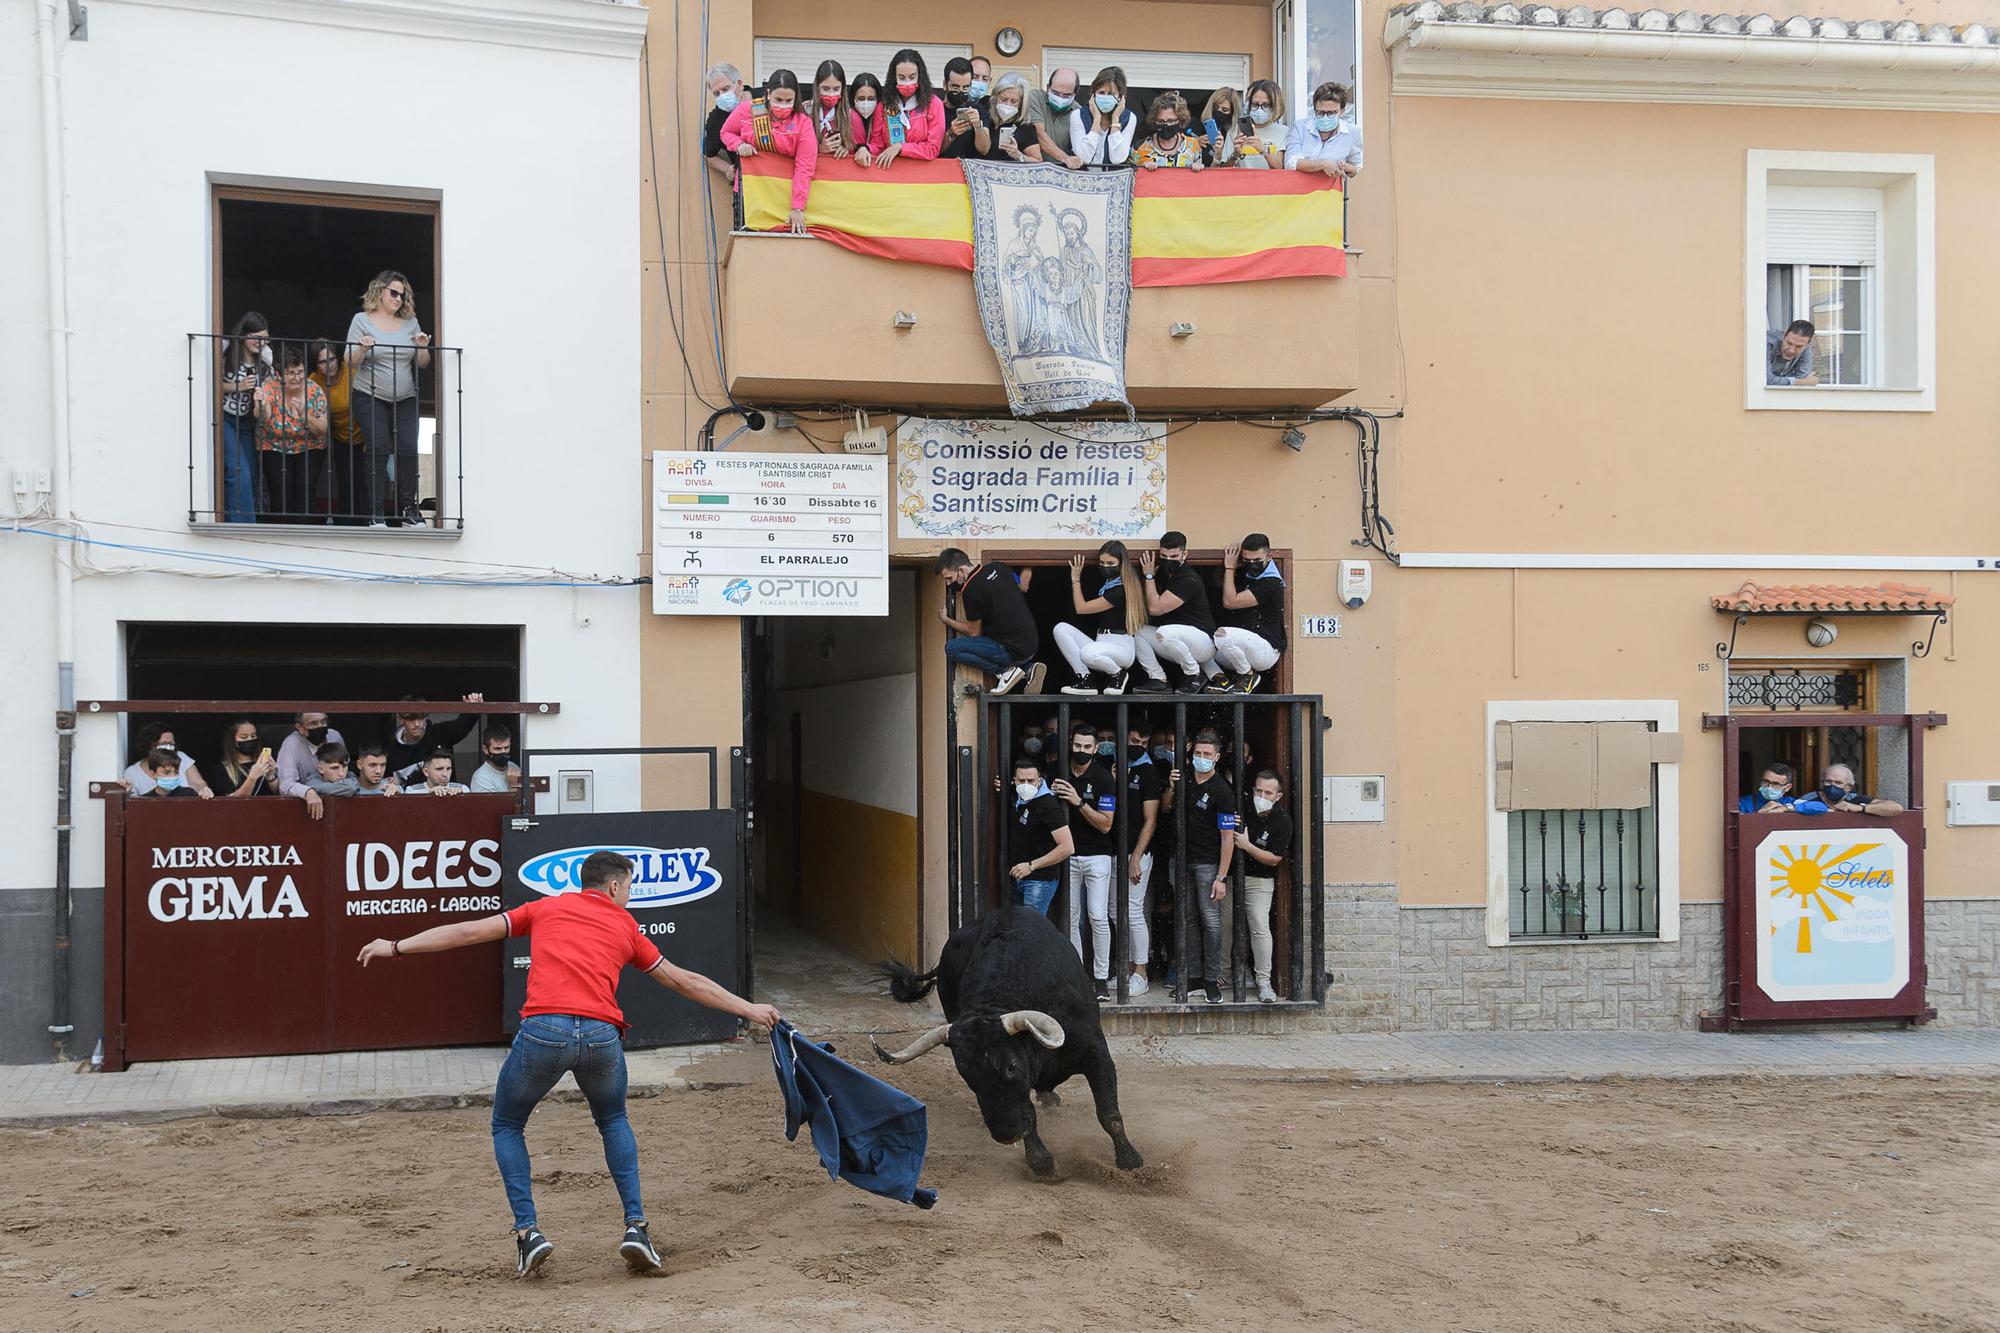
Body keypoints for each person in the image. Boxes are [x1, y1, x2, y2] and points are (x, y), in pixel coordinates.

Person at [357, 850, 780, 1278]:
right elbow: (684, 981)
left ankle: (529, 1234)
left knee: (507, 1124)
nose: (630, 897)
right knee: (613, 1120)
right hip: (600, 1036)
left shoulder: (544, 908)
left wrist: (395, 947)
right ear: (613, 887)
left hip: (544, 1031)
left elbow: (468, 931)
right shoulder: (625, 925)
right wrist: (748, 1008)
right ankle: (636, 1228)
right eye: (630, 888)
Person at [346, 270, 432, 528]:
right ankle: (375, 513)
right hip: (369, 394)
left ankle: (408, 510)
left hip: (405, 396)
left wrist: (422, 347)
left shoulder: (411, 322)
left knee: (408, 450)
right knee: (378, 449)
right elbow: (348, 360)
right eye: (393, 293)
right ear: (379, 291)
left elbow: (423, 364)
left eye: (402, 295)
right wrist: (362, 348)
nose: (398, 299)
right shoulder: (361, 320)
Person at [1162, 729, 1237, 1003]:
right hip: (1180, 861)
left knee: (1211, 922)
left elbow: (1228, 838)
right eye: (1198, 754)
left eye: (1207, 755)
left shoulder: (1222, 791)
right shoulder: (1183, 781)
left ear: (1216, 757)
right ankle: (1193, 978)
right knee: (1188, 920)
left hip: (1208, 865)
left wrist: (1221, 876)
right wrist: (1171, 786)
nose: (1201, 758)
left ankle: (1211, 980)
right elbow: (1165, 809)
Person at [1052, 722, 1119, 998]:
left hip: (1097, 856)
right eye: (1077, 746)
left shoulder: (1103, 778)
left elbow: (1106, 824)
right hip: (1067, 854)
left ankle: (1101, 978)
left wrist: (1078, 802)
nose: (1081, 751)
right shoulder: (1056, 772)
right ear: (1071, 743)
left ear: (1095, 749)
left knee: (1097, 916)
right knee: (1070, 918)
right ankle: (1077, 974)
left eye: (1087, 747)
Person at [722, 68, 816, 235]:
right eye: (778, 99)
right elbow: (726, 132)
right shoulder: (748, 110)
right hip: (750, 193)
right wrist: (738, 145)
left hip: (784, 196)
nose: (783, 105)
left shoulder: (803, 123)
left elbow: (805, 167)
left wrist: (798, 207)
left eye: (789, 100)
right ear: (768, 94)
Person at [938, 548, 1045, 695]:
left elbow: (974, 632)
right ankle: (1028, 669)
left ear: (962, 570)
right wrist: (1032, 561)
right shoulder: (998, 567)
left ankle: (1005, 671)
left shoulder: (970, 591)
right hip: (1032, 644)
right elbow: (1023, 585)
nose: (949, 584)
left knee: (951, 648)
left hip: (1010, 650)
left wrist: (946, 620)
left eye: (949, 578)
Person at [1233, 770, 1293, 1003]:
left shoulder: (1282, 820)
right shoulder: (1243, 808)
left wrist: (1247, 847)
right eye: (1258, 790)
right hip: (1230, 877)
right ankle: (1225, 975)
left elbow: (1275, 858)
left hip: (1259, 880)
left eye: (1267, 792)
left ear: (1277, 796)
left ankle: (1263, 981)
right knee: (1224, 926)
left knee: (1259, 926)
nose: (1261, 795)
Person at [253, 344, 329, 522]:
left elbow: (322, 429)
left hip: (310, 446)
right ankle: (280, 534)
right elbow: (264, 420)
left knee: (305, 488)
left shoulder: (314, 390)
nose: (297, 377)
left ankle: (305, 533)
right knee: (280, 489)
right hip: (273, 445)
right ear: (279, 375)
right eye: (291, 373)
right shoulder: (270, 388)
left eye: (300, 372)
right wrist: (262, 405)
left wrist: (304, 415)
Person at [1057, 542, 1144, 695]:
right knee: (1061, 628)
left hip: (1121, 647)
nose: (1105, 567)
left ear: (1121, 564)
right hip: (1101, 642)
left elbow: (1081, 608)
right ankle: (1085, 679)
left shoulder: (1120, 590)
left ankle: (1118, 674)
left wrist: (1075, 579)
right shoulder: (1109, 585)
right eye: (1102, 563)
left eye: (1110, 563)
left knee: (1087, 652)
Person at [1137, 532, 1219, 693]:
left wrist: (1148, 576)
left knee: (1166, 632)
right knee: (1137, 631)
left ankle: (1194, 675)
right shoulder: (1163, 574)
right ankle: (1158, 678)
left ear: (1185, 554)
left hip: (1203, 643)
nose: (1168, 560)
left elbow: (1155, 608)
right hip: (1178, 643)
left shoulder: (1188, 578)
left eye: (1173, 555)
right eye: (1164, 556)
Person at [1116, 718, 1162, 997]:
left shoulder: (1147, 772)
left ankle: (1141, 973)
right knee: (1113, 911)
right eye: (1135, 742)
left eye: (1144, 744)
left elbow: (1151, 820)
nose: (1139, 747)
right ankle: (1123, 969)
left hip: (1138, 854)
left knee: (1133, 911)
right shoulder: (1116, 766)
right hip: (1113, 851)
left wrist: (1136, 856)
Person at [1211, 534, 1286, 694]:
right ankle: (1222, 681)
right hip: (1245, 648)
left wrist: (1230, 568)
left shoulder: (1272, 583)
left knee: (1222, 635)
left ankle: (1247, 676)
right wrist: (1228, 567)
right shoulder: (1248, 574)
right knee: (1204, 648)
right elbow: (1219, 583)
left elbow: (1230, 601)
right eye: (1247, 560)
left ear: (1269, 556)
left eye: (1257, 560)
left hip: (1266, 649)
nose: (1252, 564)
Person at [218, 312, 272, 523]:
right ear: (243, 334)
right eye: (256, 337)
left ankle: (248, 522)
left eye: (264, 339)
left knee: (251, 472)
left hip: (245, 423)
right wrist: (238, 386)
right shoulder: (226, 353)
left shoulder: (264, 364)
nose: (261, 343)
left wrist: (261, 401)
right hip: (224, 418)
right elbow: (212, 385)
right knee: (240, 470)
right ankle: (241, 525)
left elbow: (264, 403)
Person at [1006, 757, 1074, 917]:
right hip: (1018, 877)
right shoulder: (1020, 799)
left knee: (1031, 932)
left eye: (1031, 780)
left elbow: (1067, 847)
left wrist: (1030, 866)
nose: (1026, 785)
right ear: (1014, 781)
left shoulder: (1048, 805)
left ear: (1040, 781)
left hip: (1039, 880)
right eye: (1021, 780)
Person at [311, 338, 366, 523]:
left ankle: (368, 524)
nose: (329, 365)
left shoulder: (352, 371)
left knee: (366, 483)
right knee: (346, 483)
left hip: (365, 435)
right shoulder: (313, 382)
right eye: (322, 362)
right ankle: (346, 524)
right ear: (315, 364)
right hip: (340, 437)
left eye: (332, 359)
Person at [867, 49, 947, 168]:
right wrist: (864, 149)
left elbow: (933, 149)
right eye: (901, 77)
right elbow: (877, 145)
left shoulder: (934, 104)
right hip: (891, 172)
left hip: (921, 173)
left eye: (912, 77)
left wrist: (901, 147)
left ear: (920, 77)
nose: (907, 83)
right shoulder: (884, 105)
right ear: (894, 78)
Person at [385, 693, 486, 782]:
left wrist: (473, 708)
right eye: (411, 719)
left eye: (421, 718)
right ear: (401, 719)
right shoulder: (390, 750)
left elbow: (462, 726)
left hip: (445, 798)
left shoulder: (440, 733)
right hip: (410, 802)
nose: (416, 724)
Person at [1286, 81, 1362, 177]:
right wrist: (1322, 164)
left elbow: (1355, 167)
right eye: (1320, 113)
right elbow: (1291, 162)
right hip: (1301, 189)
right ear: (1314, 110)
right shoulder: (1300, 127)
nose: (1325, 117)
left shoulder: (1352, 132)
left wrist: (1344, 167)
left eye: (1331, 113)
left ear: (1341, 111)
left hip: (1330, 190)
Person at [123, 722, 214, 798]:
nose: (168, 748)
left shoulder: (181, 757)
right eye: (163, 743)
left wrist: (204, 790)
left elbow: (198, 783)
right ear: (149, 744)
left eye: (171, 744)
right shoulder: (132, 772)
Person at [1073, 66, 1137, 169]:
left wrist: (1115, 119)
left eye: (1111, 94)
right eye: (1101, 93)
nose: (1106, 97)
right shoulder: (1078, 115)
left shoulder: (1129, 118)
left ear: (1121, 97)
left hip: (1113, 181)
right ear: (1093, 94)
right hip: (1083, 180)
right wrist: (1096, 120)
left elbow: (1118, 158)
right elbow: (1084, 158)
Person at [1130, 91, 1206, 171]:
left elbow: (1200, 180)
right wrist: (1142, 169)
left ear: (1180, 120)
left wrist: (1198, 169)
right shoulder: (1139, 147)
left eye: (1171, 121)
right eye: (1160, 121)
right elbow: (1128, 176)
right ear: (1154, 120)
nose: (1166, 125)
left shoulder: (1193, 146)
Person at [1025, 67, 1084, 169]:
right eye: (1055, 93)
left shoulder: (1079, 112)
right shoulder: (1036, 97)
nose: (1060, 98)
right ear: (1048, 87)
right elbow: (1039, 133)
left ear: (1075, 93)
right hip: (1034, 168)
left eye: (1066, 95)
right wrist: (1066, 158)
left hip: (1063, 172)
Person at [277, 712, 343, 796]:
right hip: (305, 803)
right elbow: (285, 785)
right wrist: (307, 791)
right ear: (300, 728)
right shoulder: (292, 743)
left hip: (338, 795)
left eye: (323, 722)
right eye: (314, 723)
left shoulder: (334, 736)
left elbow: (345, 768)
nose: (320, 726)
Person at [982, 72, 1045, 162]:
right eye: (1003, 99)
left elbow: (1038, 161)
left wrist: (1018, 155)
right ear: (995, 97)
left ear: (1021, 103)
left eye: (1014, 101)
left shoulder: (1025, 127)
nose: (1008, 104)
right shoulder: (985, 112)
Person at [1801, 764, 1904, 817]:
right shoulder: (1809, 798)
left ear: (1849, 787)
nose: (1832, 786)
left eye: (1838, 783)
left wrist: (1860, 808)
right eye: (1828, 781)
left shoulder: (1856, 799)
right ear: (1822, 782)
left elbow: (1897, 808)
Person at [937, 57, 990, 159]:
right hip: (942, 168)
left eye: (965, 87)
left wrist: (978, 126)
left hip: (968, 168)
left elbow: (984, 150)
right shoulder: (936, 109)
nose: (961, 92)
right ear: (945, 85)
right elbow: (933, 150)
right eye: (955, 87)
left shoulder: (978, 110)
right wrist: (951, 133)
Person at [702, 62, 746, 182]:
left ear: (739, 84)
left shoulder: (765, 97)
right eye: (717, 93)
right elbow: (709, 155)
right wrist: (727, 169)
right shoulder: (716, 121)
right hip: (747, 183)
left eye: (725, 89)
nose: (722, 96)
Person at [216, 718, 278, 797]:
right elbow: (233, 802)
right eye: (244, 737)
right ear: (233, 741)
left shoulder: (264, 762)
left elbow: (279, 794)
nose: (250, 739)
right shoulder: (222, 769)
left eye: (253, 736)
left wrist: (271, 776)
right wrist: (252, 778)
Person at [297, 742, 361, 819]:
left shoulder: (350, 775)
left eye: (344, 766)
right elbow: (350, 787)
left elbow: (351, 787)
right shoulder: (313, 780)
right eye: (334, 768)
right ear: (321, 769)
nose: (341, 773)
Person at [809, 60, 856, 162]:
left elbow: (859, 148)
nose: (831, 94)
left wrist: (846, 150)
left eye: (836, 89)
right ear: (817, 87)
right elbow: (795, 149)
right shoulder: (805, 111)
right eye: (825, 89)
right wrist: (819, 149)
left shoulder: (850, 115)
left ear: (842, 89)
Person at [1236, 78, 1288, 169]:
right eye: (1255, 104)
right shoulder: (1236, 130)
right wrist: (1235, 154)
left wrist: (1263, 151)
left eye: (1266, 105)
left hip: (1269, 182)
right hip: (1242, 182)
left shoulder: (1283, 131)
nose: (1259, 109)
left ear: (1274, 106)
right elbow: (1223, 168)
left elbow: (1280, 168)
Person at [1197, 87, 1244, 167]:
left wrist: (1219, 154)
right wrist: (1195, 142)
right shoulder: (1196, 125)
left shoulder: (1232, 134)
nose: (1219, 112)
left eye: (1225, 110)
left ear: (1232, 113)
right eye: (1215, 108)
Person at [470, 724, 521, 794]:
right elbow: (491, 804)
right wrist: (513, 786)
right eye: (498, 749)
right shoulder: (481, 778)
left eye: (506, 747)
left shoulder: (514, 767)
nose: (503, 752)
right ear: (485, 749)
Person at [847, 72, 885, 164]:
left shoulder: (885, 116)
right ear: (853, 98)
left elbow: (881, 146)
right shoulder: (847, 117)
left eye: (871, 98)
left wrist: (865, 148)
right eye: (861, 98)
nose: (866, 103)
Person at [1767, 319, 1819, 387]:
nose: (1792, 350)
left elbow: (1803, 377)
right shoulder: (1766, 342)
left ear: (1807, 344)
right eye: (1789, 343)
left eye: (1798, 346)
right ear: (1784, 335)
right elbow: (1767, 380)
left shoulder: (1805, 347)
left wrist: (1801, 382)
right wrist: (1800, 382)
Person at [1739, 761, 1804, 814]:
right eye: (1766, 781)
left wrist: (1786, 808)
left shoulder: (1789, 801)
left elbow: (1813, 806)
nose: (1769, 787)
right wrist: (1758, 814)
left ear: (1787, 787)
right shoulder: (1743, 803)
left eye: (1776, 784)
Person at [134, 749, 199, 799]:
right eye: (166, 773)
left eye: (176, 772)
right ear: (153, 774)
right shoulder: (146, 800)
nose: (172, 776)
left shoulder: (189, 795)